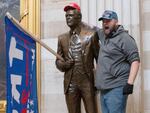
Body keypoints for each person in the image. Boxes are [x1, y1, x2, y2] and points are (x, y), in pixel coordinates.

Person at [55, 2, 100, 113]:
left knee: (92, 110)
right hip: (70, 83)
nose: (68, 18)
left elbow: (100, 59)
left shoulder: (91, 35)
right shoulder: (62, 38)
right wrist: (63, 65)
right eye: (66, 16)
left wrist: (100, 81)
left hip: (87, 82)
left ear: (79, 17)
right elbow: (58, 61)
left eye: (70, 16)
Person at [95, 10, 140, 113]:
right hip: (104, 88)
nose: (105, 23)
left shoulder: (124, 38)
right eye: (103, 21)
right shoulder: (103, 35)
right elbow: (91, 28)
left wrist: (130, 84)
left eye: (108, 21)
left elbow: (135, 61)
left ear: (116, 22)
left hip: (117, 87)